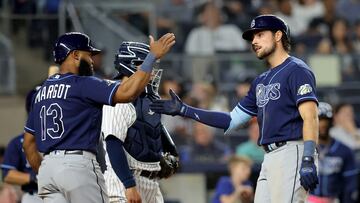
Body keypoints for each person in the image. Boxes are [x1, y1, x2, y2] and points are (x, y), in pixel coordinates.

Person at [150, 14, 319, 202]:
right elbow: (231, 121)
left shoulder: (297, 70)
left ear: (278, 35)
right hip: (269, 157)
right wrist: (185, 110)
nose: (254, 41)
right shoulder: (260, 81)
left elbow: (310, 117)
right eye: (253, 37)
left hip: (292, 151)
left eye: (260, 34)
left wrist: (308, 158)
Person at [22, 32, 175, 203]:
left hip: (48, 172)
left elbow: (28, 143)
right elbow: (127, 92)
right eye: (89, 55)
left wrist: (42, 170)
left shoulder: (41, 92)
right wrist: (151, 56)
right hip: (77, 165)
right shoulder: (83, 83)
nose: (93, 61)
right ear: (76, 55)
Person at [101, 41, 179, 203]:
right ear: (131, 65)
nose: (152, 72)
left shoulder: (148, 97)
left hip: (151, 181)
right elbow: (113, 142)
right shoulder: (117, 95)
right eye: (147, 64)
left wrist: (171, 152)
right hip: (123, 180)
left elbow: (154, 127)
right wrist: (129, 185)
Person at [307, 102, 358, 203]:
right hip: (307, 199)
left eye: (326, 120)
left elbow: (350, 183)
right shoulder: (303, 149)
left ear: (332, 121)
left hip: (333, 199)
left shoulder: (343, 150)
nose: (323, 124)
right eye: (319, 120)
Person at [1, 89, 41, 203]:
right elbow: (8, 175)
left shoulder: (62, 138)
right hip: (35, 195)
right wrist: (34, 178)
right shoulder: (18, 142)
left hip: (61, 193)